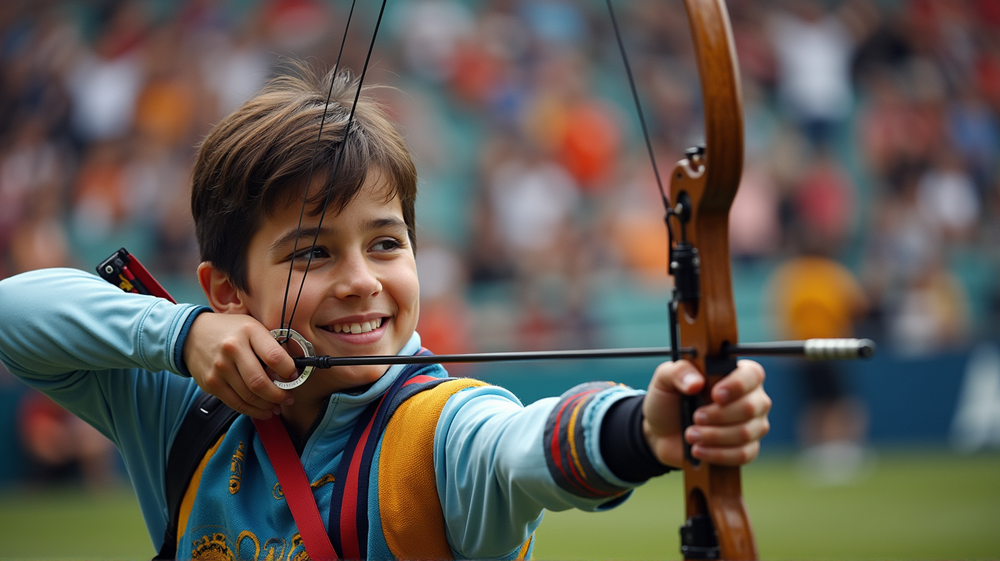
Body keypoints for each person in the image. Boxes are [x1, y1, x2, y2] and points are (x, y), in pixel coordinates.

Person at [0, 65, 771, 560]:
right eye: (313, 252)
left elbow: (515, 447)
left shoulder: (438, 433)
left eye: (386, 243)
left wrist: (641, 430)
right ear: (227, 291)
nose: (362, 281)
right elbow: (13, 312)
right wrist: (181, 332)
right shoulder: (184, 409)